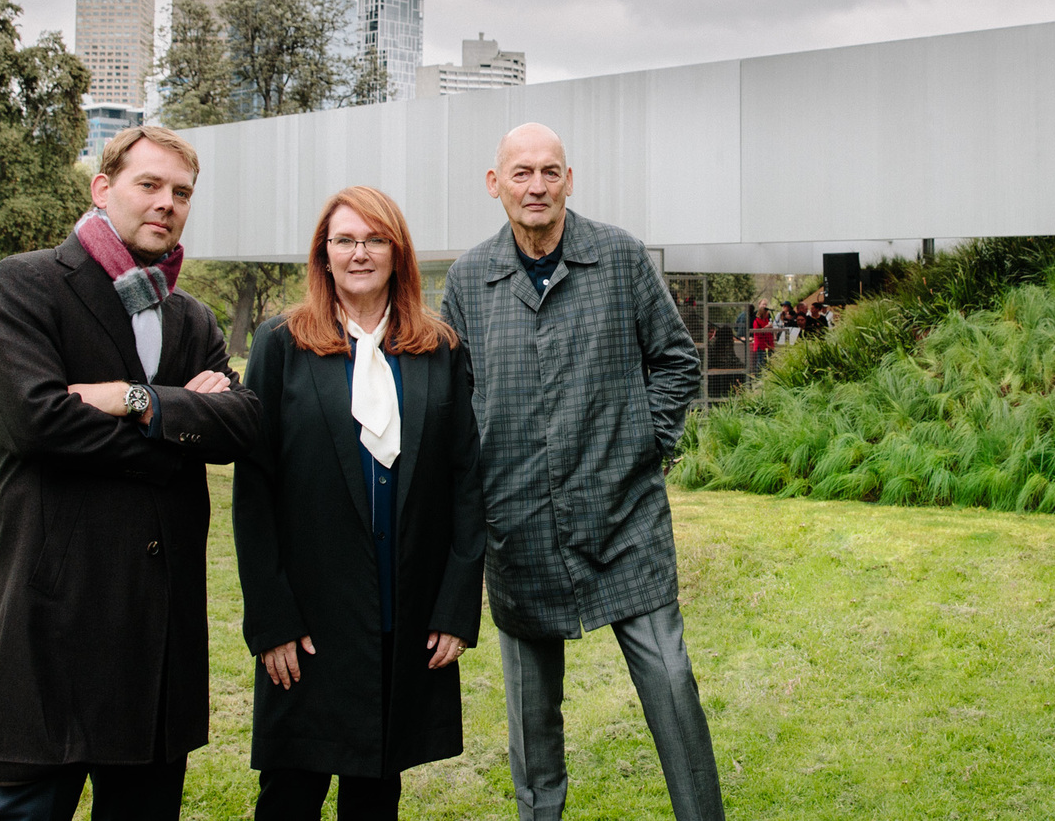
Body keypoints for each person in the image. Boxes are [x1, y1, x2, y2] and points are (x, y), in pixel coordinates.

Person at [0, 126, 262, 821]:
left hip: (158, 630)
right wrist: (179, 432)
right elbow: (35, 421)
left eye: (181, 192)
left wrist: (137, 402)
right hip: (57, 616)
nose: (167, 203)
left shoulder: (191, 315)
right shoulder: (26, 284)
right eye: (149, 185)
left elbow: (243, 423)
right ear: (103, 189)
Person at [441, 123, 724, 821]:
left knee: (671, 683)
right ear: (495, 183)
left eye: (549, 172)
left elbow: (676, 360)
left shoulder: (620, 257)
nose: (536, 186)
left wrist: (644, 447)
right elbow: (452, 398)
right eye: (521, 173)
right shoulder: (469, 280)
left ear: (570, 179)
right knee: (532, 722)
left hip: (625, 523)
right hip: (519, 530)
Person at [233, 186, 484, 820]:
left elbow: (465, 481)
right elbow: (254, 490)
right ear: (324, 253)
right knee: (290, 796)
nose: (360, 253)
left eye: (375, 240)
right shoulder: (281, 345)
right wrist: (271, 618)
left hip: (402, 615)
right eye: (345, 240)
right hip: (309, 622)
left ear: (398, 253)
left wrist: (456, 607)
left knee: (375, 795)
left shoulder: (440, 349)